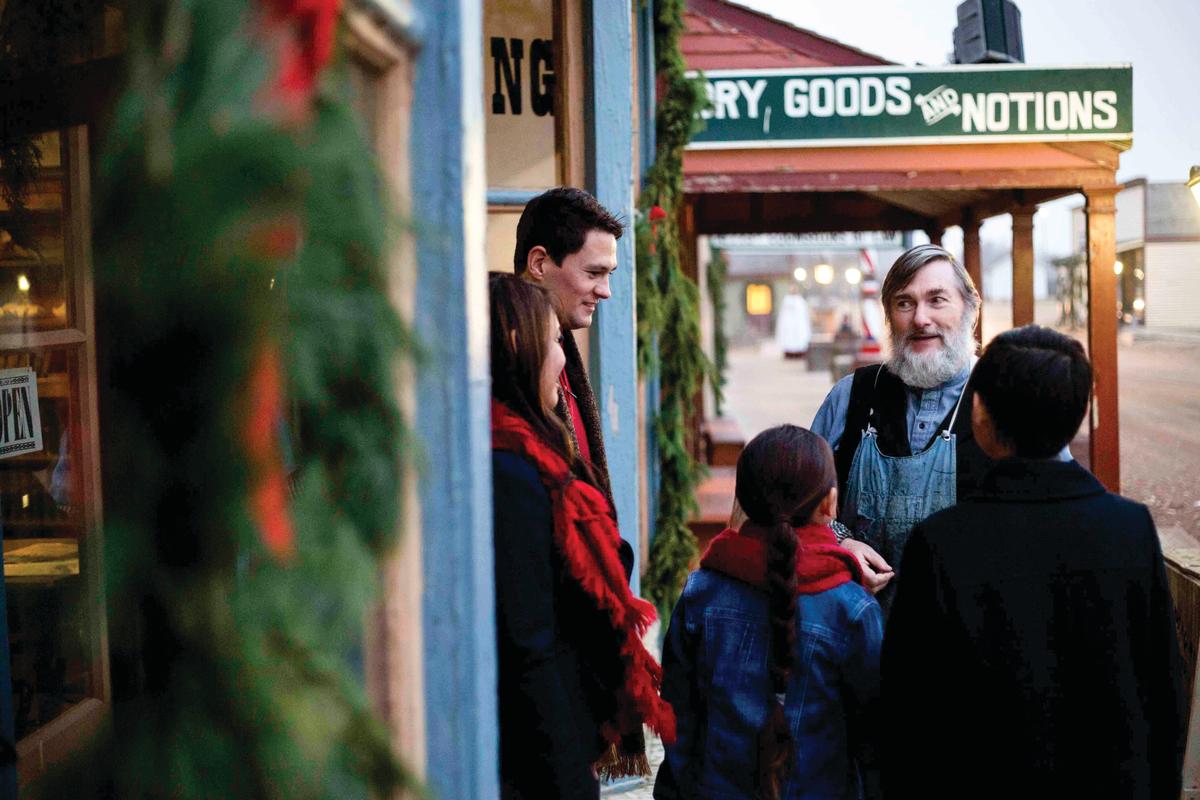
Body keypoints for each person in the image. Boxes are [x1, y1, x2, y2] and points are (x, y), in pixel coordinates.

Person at [881, 325, 1186, 799]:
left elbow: (909, 709)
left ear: (979, 413)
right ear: (1081, 413)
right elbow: (1164, 689)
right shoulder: (1130, 530)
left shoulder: (941, 543)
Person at [489, 274, 675, 799]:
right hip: (538, 758)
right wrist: (569, 778)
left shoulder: (532, 449)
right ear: (517, 347)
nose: (563, 359)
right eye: (552, 342)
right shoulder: (512, 470)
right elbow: (532, 646)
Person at [655, 425, 883, 800]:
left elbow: (679, 717)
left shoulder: (701, 593)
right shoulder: (853, 610)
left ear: (742, 499)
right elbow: (871, 741)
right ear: (829, 504)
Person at [811, 244, 991, 612]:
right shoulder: (852, 396)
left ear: (971, 309)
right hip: (859, 634)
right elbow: (796, 505)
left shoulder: (1004, 398)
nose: (920, 319)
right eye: (904, 303)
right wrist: (839, 543)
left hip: (971, 642)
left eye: (937, 300)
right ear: (889, 315)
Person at [514, 186, 623, 507]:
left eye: (609, 275)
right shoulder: (505, 360)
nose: (606, 292)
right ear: (538, 263)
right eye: (594, 273)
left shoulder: (559, 346)